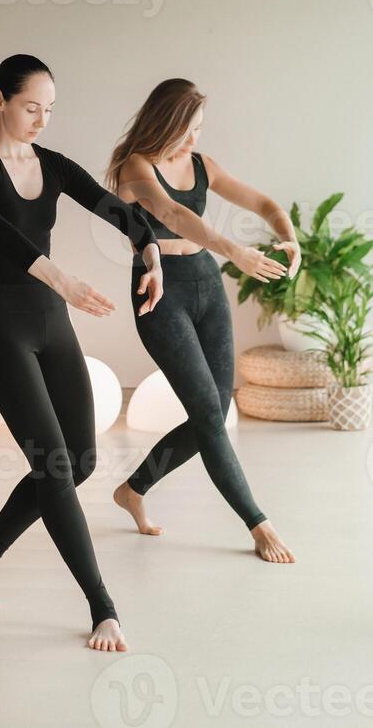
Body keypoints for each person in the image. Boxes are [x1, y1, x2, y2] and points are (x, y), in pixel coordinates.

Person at [0, 55, 163, 651]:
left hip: (51, 323)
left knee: (80, 460)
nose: (41, 120)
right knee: (52, 464)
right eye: (30, 107)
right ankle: (103, 607)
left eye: (49, 110)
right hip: (0, 325)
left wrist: (147, 251)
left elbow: (114, 207)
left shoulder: (51, 164)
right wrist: (65, 282)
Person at [107, 78, 297, 564]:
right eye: (187, 130)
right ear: (165, 122)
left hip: (207, 286)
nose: (194, 141)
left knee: (213, 410)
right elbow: (171, 211)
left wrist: (288, 236)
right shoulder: (135, 166)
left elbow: (264, 204)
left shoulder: (202, 165)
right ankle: (259, 522)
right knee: (210, 416)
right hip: (160, 292)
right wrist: (236, 249)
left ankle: (134, 489)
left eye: (199, 130)